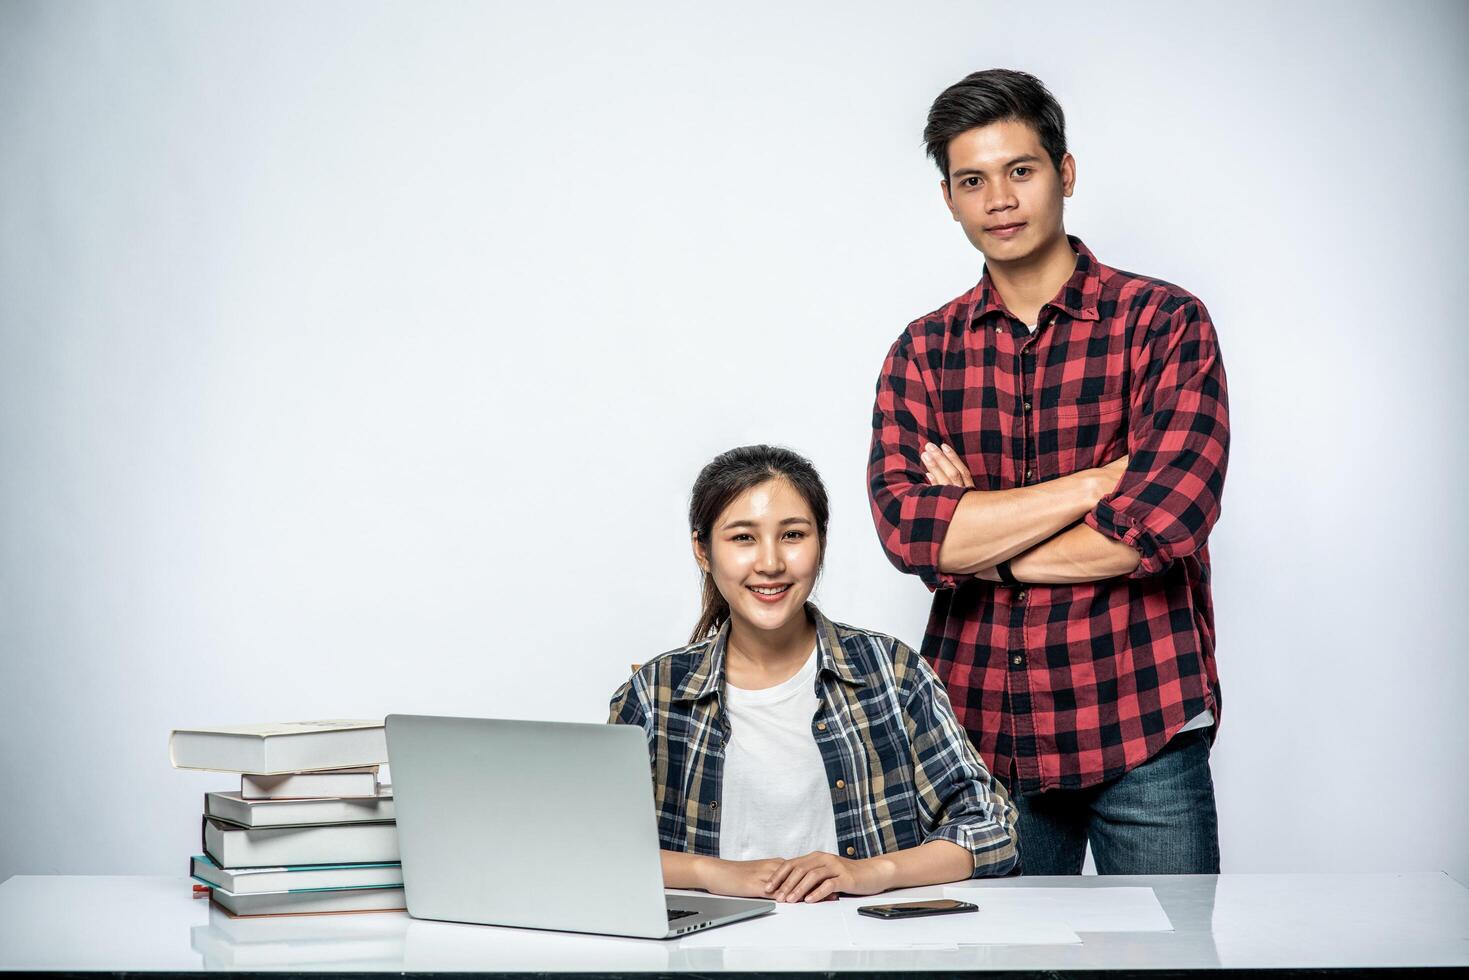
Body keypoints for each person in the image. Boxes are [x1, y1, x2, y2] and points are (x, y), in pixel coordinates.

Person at [867, 69, 1229, 875]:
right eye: (972, 180)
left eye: (1019, 170)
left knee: (1177, 964)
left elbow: (1153, 530)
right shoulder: (923, 352)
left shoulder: (1164, 325)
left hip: (1142, 721)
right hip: (982, 737)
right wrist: (1095, 484)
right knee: (992, 969)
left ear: (1063, 173)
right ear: (949, 200)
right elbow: (909, 533)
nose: (999, 198)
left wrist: (978, 533)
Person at [609, 445, 1018, 903]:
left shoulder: (892, 673)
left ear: (820, 542)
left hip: (865, 957)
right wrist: (715, 873)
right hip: (706, 961)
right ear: (703, 551)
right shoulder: (654, 694)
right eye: (743, 538)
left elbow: (991, 829)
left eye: (793, 535)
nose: (770, 563)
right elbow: (599, 848)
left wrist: (868, 873)